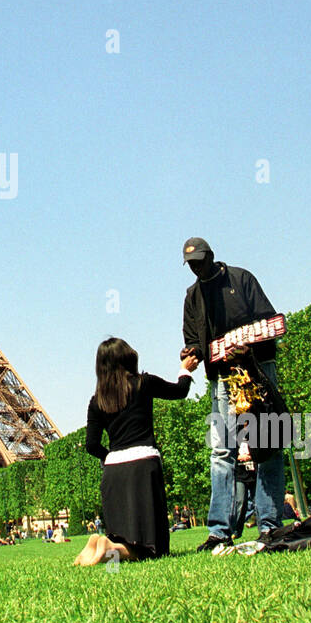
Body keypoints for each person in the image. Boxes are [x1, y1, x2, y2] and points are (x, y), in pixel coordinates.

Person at [180, 237, 286, 553]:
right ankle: (220, 531)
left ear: (211, 256)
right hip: (223, 379)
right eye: (191, 264)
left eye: (200, 260)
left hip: (257, 370)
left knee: (267, 446)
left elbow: (268, 319)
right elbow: (192, 339)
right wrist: (193, 354)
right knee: (221, 452)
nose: (197, 268)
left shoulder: (241, 279)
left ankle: (269, 525)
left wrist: (246, 344)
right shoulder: (192, 297)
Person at [77, 336, 199, 565]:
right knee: (152, 549)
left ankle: (99, 545)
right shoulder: (144, 383)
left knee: (124, 535)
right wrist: (185, 369)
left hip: (114, 472)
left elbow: (91, 445)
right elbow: (180, 391)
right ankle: (108, 547)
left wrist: (110, 457)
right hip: (143, 465)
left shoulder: (97, 401)